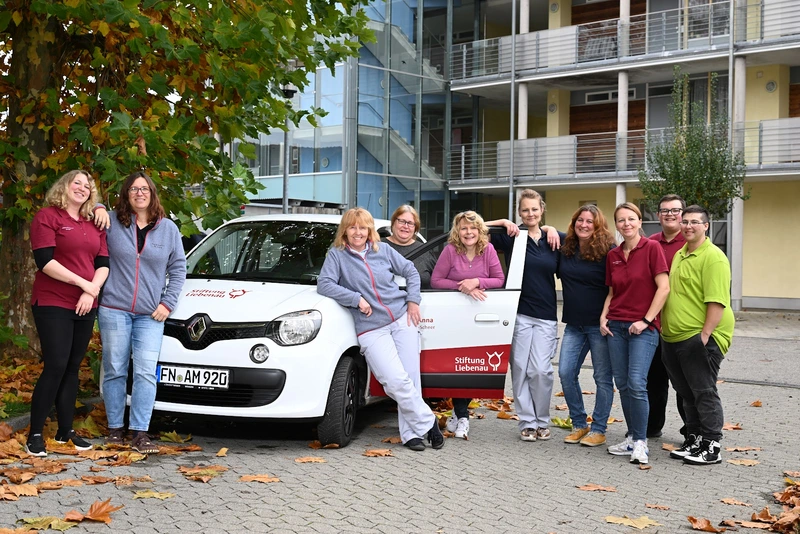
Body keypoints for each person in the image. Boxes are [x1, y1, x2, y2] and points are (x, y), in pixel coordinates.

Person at [318, 208, 444, 451]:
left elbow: (411, 272)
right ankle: (429, 422)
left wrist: (413, 300)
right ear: (345, 229)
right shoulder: (337, 255)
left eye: (363, 227)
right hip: (370, 327)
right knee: (393, 380)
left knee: (410, 378)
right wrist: (355, 298)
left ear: (369, 231)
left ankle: (411, 435)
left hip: (400, 318)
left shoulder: (382, 249)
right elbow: (325, 284)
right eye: (353, 227)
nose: (358, 232)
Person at [99, 171, 186, 454]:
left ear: (152, 193)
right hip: (114, 308)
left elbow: (178, 269)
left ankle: (140, 433)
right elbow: (87, 211)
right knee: (114, 369)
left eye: (144, 188)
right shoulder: (112, 222)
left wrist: (167, 303)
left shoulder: (168, 229)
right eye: (134, 189)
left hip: (151, 314)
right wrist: (99, 207)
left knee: (146, 372)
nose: (139, 193)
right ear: (126, 194)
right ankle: (114, 429)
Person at [26, 170, 110, 457]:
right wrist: (82, 283)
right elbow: (44, 261)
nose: (82, 188)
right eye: (77, 182)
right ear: (64, 186)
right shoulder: (47, 217)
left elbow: (103, 262)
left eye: (88, 186)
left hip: (85, 304)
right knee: (56, 364)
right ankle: (34, 434)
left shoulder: (93, 223)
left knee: (73, 368)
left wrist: (91, 291)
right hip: (53, 302)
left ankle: (65, 431)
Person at [661, 205, 735, 465]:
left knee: (703, 391)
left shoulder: (713, 257)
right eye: (685, 222)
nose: (688, 226)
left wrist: (705, 336)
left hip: (699, 337)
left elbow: (717, 301)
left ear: (706, 226)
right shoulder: (680, 254)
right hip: (673, 337)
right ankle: (694, 438)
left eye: (695, 222)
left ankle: (712, 444)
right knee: (685, 392)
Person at [489, 190, 562, 442]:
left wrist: (551, 228)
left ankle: (542, 419)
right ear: (519, 213)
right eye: (525, 210)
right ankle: (528, 423)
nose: (530, 214)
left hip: (546, 315)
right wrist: (500, 223)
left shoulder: (555, 239)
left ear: (541, 210)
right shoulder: (512, 236)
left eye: (534, 209)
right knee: (520, 368)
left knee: (541, 370)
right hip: (518, 313)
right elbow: (468, 225)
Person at [600, 202, 669, 465]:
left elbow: (663, 288)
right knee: (625, 385)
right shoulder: (613, 255)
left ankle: (641, 442)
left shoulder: (652, 248)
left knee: (638, 383)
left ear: (640, 222)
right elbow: (612, 293)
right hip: (616, 327)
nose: (626, 224)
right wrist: (604, 316)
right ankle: (630, 437)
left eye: (631, 219)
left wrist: (645, 320)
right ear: (616, 225)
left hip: (643, 328)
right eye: (620, 220)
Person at [431, 211, 505, 439]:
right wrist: (461, 286)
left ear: (480, 230)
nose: (468, 232)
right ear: (457, 231)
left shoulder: (488, 250)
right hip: (454, 316)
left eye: (472, 228)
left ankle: (458, 413)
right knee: (456, 367)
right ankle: (462, 416)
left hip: (479, 316)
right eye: (463, 228)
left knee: (472, 367)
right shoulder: (450, 251)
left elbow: (499, 279)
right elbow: (435, 280)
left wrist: (477, 282)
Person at [557, 205, 616, 448]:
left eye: (589, 221)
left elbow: (616, 288)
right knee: (565, 372)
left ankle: (599, 429)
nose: (584, 224)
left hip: (599, 326)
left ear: (598, 225)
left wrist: (607, 316)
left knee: (602, 378)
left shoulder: (609, 251)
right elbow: (539, 231)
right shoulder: (566, 248)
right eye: (579, 220)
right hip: (574, 324)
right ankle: (580, 424)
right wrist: (550, 228)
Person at [646, 194, 688, 438]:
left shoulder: (692, 241)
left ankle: (690, 431)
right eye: (664, 210)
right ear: (658, 215)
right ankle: (652, 428)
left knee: (684, 384)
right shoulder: (650, 243)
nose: (670, 214)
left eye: (675, 210)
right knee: (654, 382)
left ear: (682, 213)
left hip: (683, 324)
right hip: (654, 324)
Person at [382, 205, 437, 289]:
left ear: (415, 228)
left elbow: (437, 281)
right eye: (401, 221)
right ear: (393, 223)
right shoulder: (377, 246)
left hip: (422, 301)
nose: (406, 226)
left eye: (410, 223)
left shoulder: (425, 250)